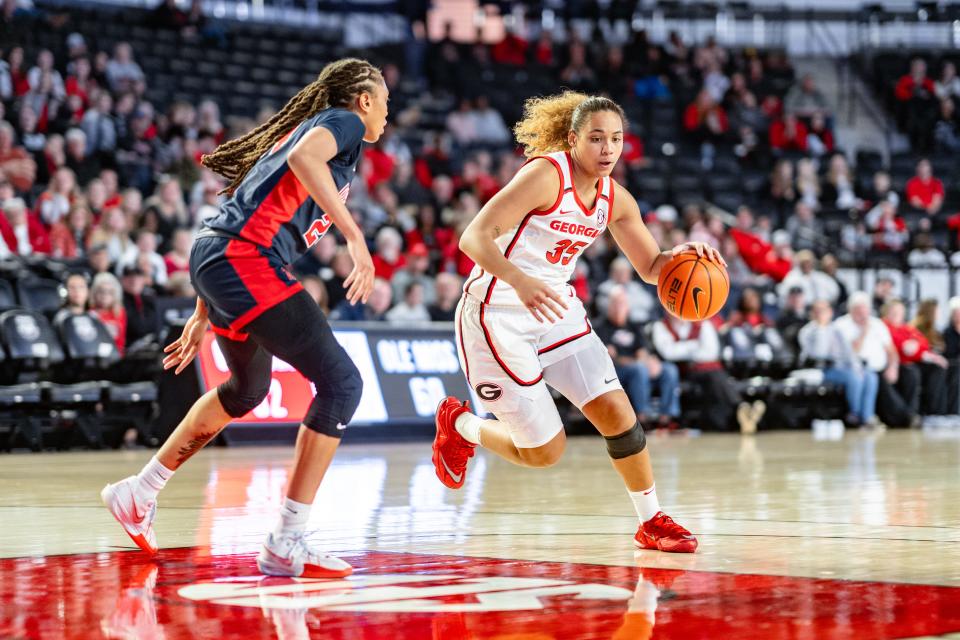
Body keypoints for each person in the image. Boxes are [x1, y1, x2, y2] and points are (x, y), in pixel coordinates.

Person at [100, 59, 388, 579]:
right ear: (364, 99)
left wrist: (202, 309)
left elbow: (242, 204)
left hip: (218, 258)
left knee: (247, 390)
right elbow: (304, 160)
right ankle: (287, 539)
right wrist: (356, 237)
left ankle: (138, 492)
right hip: (244, 259)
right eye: (384, 100)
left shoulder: (310, 131)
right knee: (342, 384)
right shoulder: (341, 123)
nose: (387, 113)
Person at [434, 91, 723, 553]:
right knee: (545, 452)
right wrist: (520, 280)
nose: (607, 149)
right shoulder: (546, 176)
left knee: (617, 412)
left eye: (616, 139)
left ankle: (651, 521)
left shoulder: (615, 198)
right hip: (497, 312)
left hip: (555, 309)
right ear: (573, 140)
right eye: (596, 138)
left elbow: (652, 267)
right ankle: (460, 425)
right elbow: (473, 237)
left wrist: (683, 257)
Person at [593, 286, 681, 427]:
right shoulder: (601, 327)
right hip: (615, 372)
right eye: (616, 303)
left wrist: (650, 362)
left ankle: (667, 417)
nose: (619, 307)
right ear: (609, 306)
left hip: (639, 366)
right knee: (638, 369)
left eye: (622, 303)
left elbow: (642, 350)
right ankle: (643, 416)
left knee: (669, 370)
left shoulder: (633, 326)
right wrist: (640, 362)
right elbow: (612, 358)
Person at [798, 300, 878, 426]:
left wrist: (856, 366)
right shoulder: (807, 331)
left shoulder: (836, 329)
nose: (821, 314)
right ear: (812, 314)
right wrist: (821, 328)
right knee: (853, 378)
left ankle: (868, 416)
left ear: (830, 312)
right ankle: (855, 414)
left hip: (842, 367)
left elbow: (848, 352)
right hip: (822, 369)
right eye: (818, 311)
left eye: (824, 310)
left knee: (870, 376)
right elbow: (819, 353)